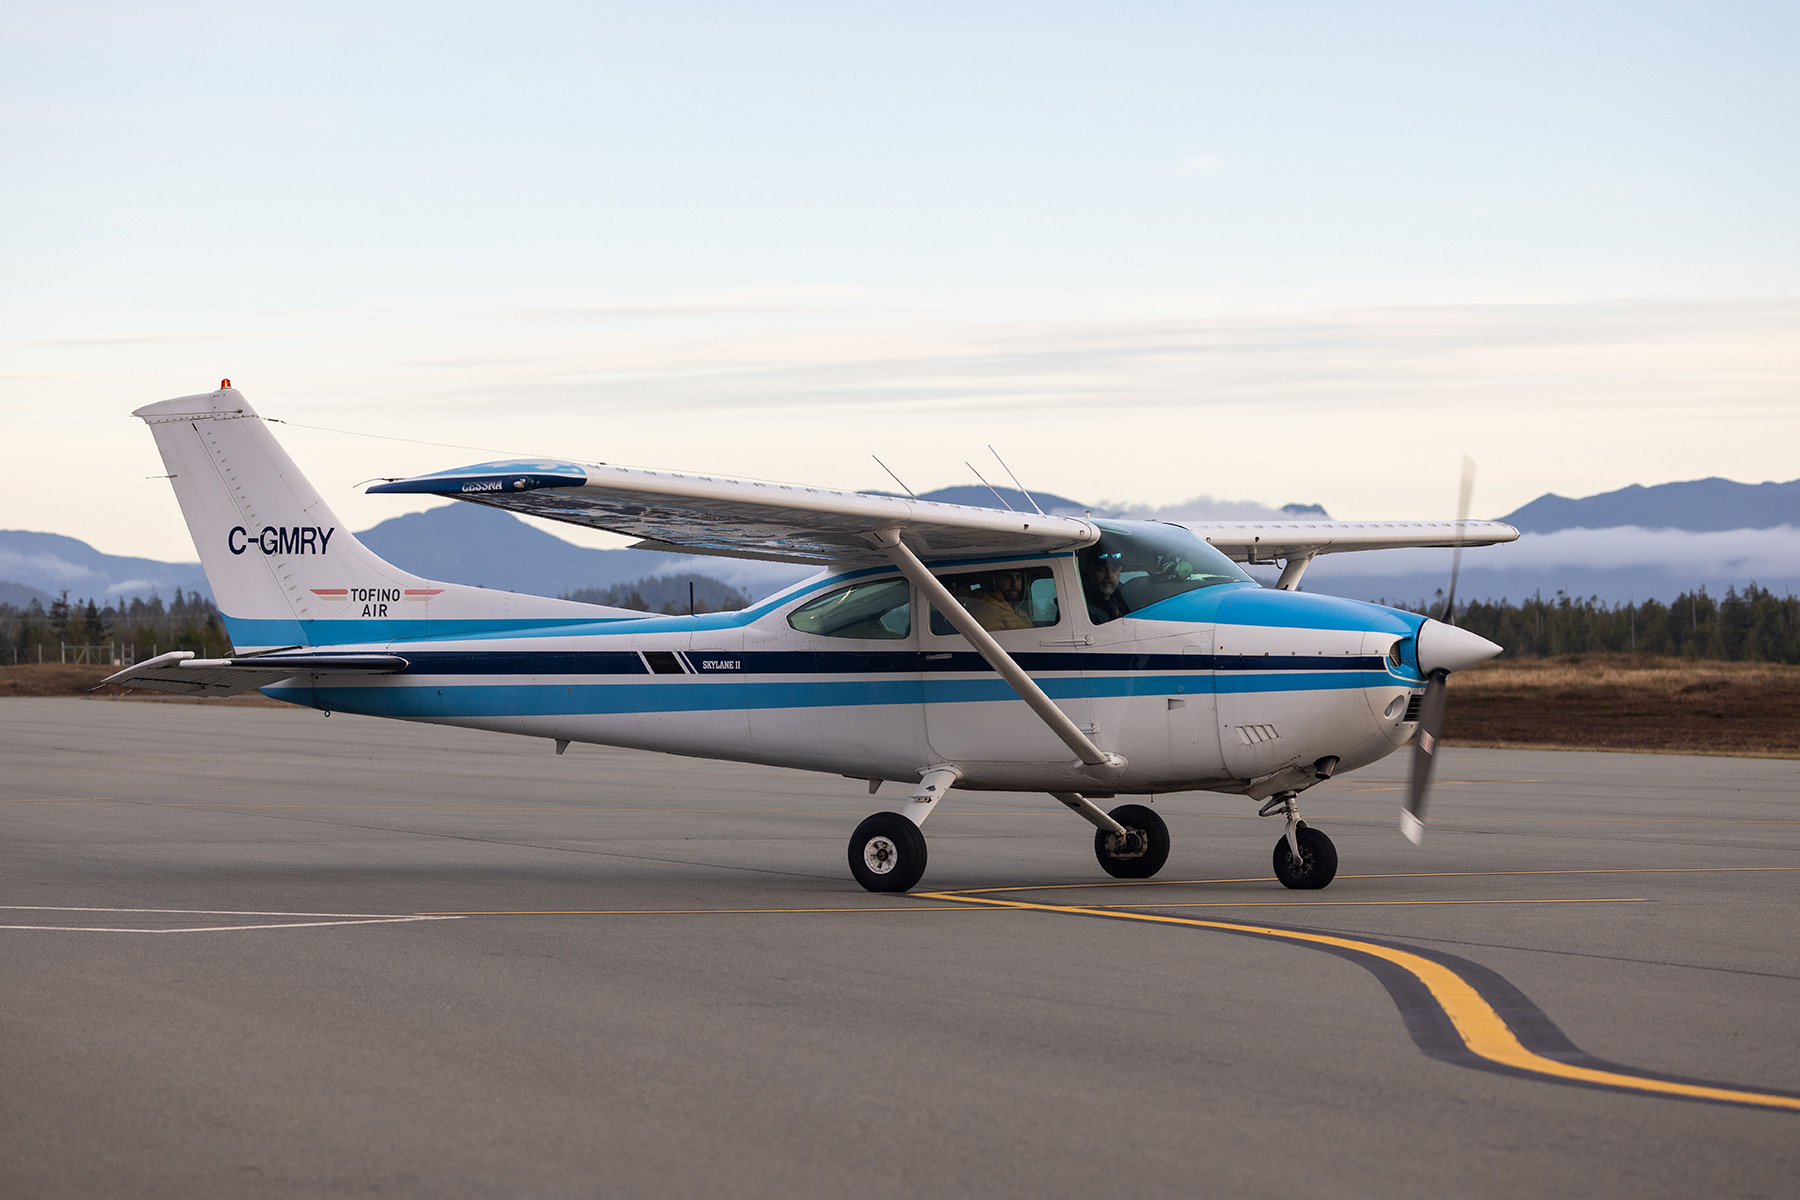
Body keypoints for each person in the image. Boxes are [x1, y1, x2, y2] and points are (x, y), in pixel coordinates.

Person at [965, 570, 1034, 631]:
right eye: (1007, 578)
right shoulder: (986, 612)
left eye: (1018, 577)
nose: (1014, 584)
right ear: (992, 581)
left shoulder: (1017, 611)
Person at [1082, 548, 1129, 624]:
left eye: (1114, 570)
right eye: (1101, 570)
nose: (1109, 576)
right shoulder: (1080, 605)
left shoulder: (1126, 596)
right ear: (1089, 570)